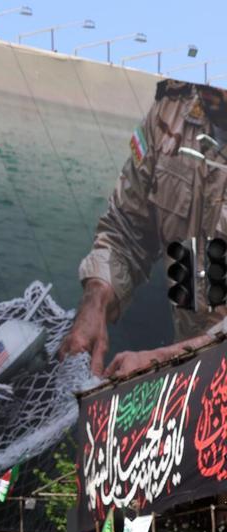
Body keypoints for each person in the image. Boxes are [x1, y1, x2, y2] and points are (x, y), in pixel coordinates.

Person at [59, 79, 227, 379]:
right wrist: (96, 298)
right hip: (185, 378)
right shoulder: (172, 112)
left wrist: (168, 359)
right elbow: (125, 230)